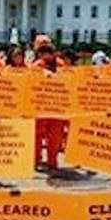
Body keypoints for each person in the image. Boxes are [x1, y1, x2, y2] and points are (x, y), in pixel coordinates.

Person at [30, 35, 68, 171]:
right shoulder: (37, 65)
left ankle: (50, 161)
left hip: (55, 107)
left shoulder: (60, 64)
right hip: (42, 107)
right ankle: (37, 160)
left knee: (54, 136)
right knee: (39, 135)